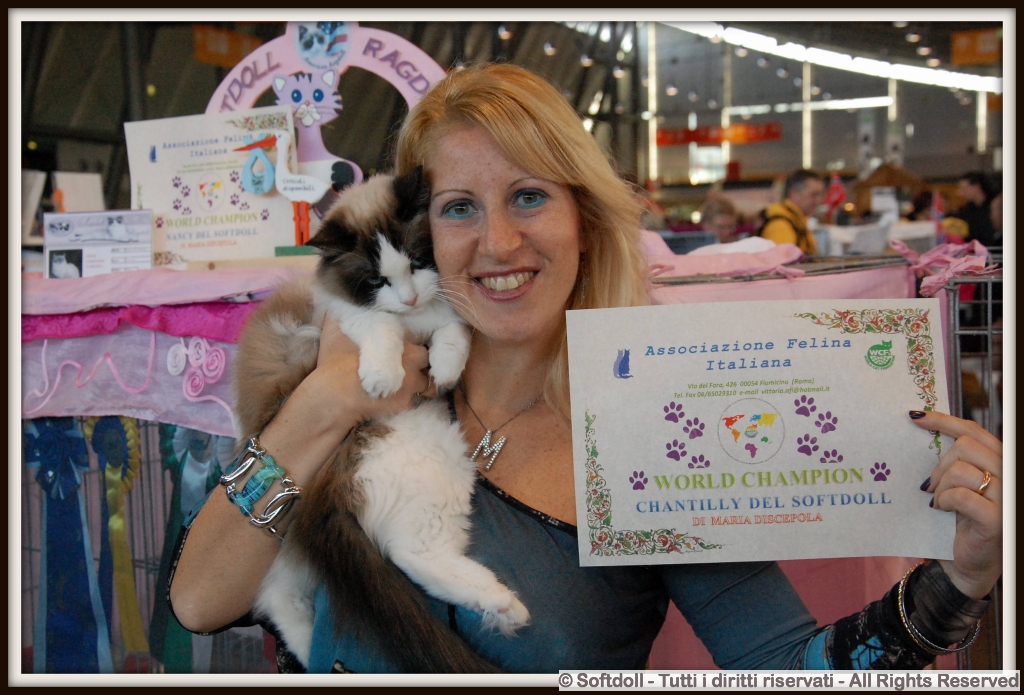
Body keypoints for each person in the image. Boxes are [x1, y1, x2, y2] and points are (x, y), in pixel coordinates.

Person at [169, 64, 1003, 673]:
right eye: (459, 208)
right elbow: (202, 601)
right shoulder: (362, 381)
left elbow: (789, 667)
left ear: (585, 219)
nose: (498, 243)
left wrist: (958, 580)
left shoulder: (654, 437)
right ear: (422, 230)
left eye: (529, 196)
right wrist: (322, 403)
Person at [759, 169, 825, 255]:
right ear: (794, 194)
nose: (818, 200)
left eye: (820, 195)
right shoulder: (781, 225)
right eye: (813, 195)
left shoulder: (798, 221)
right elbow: (781, 261)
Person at [946, 171, 999, 248]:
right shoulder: (967, 210)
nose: (960, 193)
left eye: (964, 188)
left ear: (976, 187)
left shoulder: (996, 206)